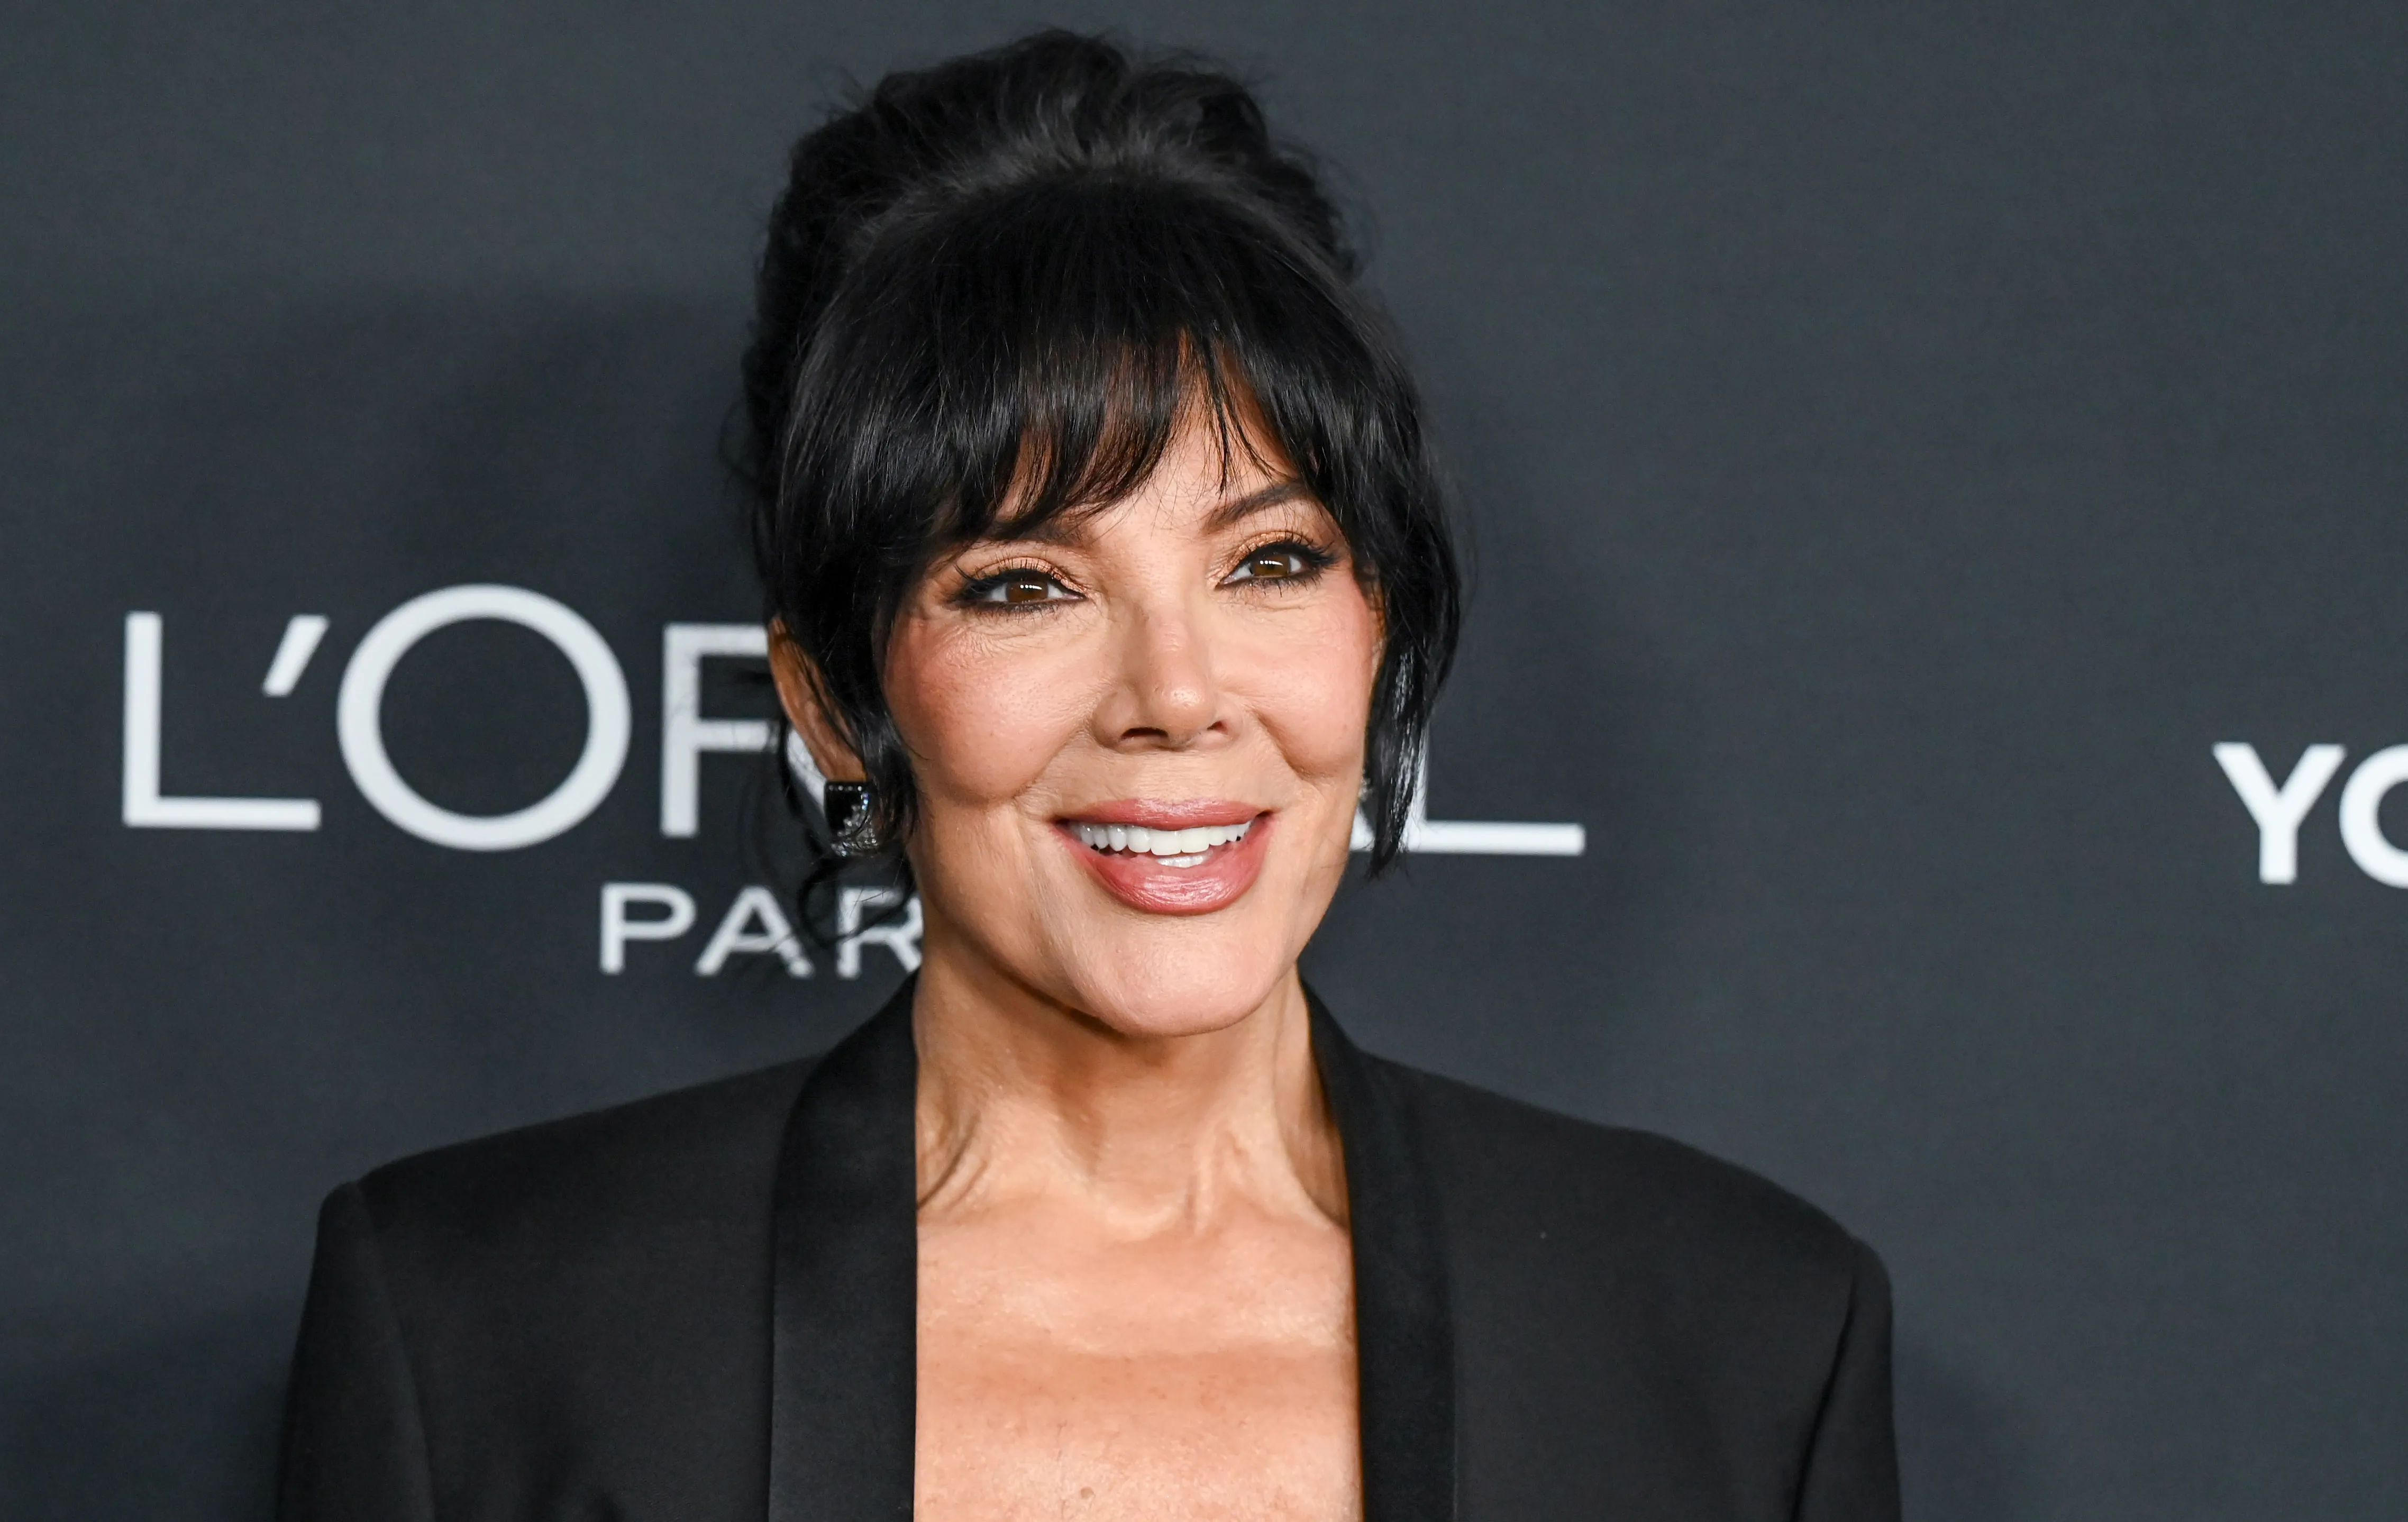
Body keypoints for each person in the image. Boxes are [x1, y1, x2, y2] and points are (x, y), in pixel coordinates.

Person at [275, 30, 1898, 1522]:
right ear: (836, 703)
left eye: (1267, 561)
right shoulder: (480, 1333)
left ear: (1375, 637)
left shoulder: (1741, 1335)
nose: (1175, 695)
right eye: (1023, 585)